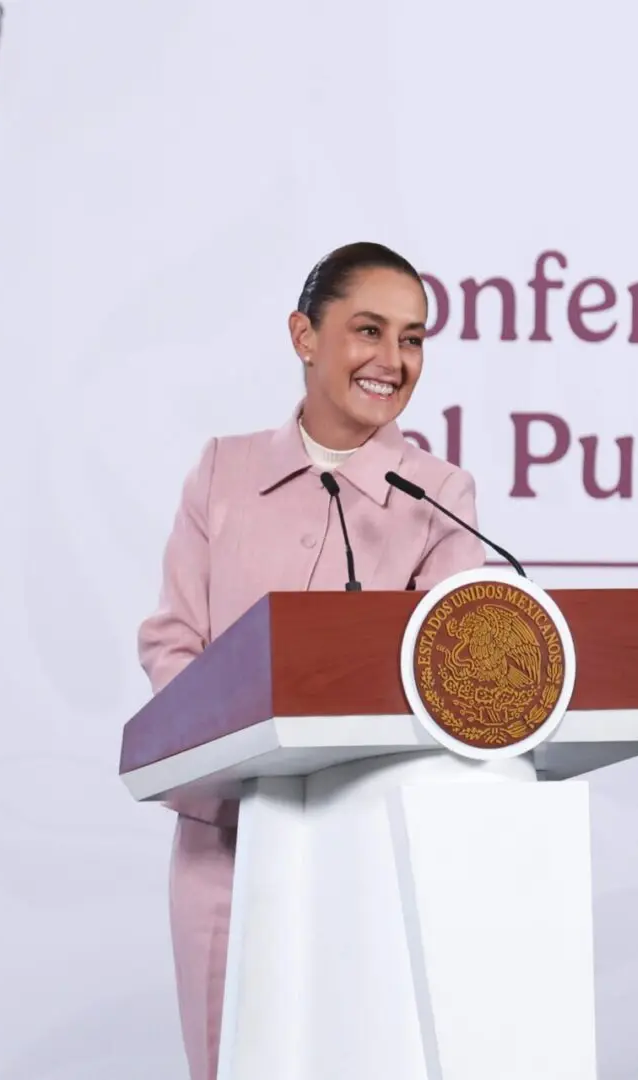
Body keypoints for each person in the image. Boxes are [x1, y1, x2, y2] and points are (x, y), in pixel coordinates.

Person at [136, 241, 489, 1079]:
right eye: (368, 330)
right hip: (223, 843)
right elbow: (171, 639)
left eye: (413, 338)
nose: (393, 360)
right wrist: (231, 758)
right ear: (304, 335)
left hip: (361, 843)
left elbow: (454, 678)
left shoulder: (441, 494)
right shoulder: (223, 469)